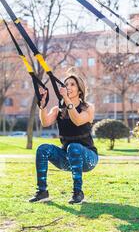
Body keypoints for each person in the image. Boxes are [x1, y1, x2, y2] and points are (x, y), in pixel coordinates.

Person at [29, 71, 98, 205]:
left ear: (80, 90)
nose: (68, 87)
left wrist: (66, 100)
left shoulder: (88, 108)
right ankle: (42, 191)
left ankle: (78, 192)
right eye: (66, 84)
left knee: (74, 147)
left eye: (72, 84)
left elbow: (77, 120)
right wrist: (42, 106)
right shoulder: (58, 110)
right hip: (67, 158)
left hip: (88, 159)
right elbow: (45, 122)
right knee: (43, 149)